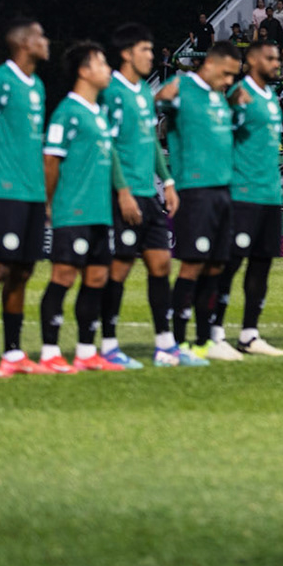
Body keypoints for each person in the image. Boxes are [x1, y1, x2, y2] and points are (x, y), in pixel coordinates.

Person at [36, 41, 144, 372]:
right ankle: (50, 352)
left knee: (97, 279)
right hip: (74, 211)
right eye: (100, 63)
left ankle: (85, 352)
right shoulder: (67, 112)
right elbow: (50, 161)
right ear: (84, 71)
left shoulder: (97, 114)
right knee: (64, 276)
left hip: (100, 212)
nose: (108, 69)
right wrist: (49, 204)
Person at [0, 18, 53, 377]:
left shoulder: (37, 86)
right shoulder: (0, 82)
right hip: (3, 191)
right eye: (40, 36)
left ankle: (14, 353)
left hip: (33, 192)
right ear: (23, 43)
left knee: (23, 271)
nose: (46, 41)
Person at [157, 41, 244, 364]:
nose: (228, 82)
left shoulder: (217, 97)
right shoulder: (181, 87)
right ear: (212, 64)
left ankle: (205, 339)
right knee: (193, 263)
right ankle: (175, 344)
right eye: (227, 74)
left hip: (223, 189)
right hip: (195, 190)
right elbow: (154, 105)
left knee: (217, 264)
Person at [98, 24, 178, 369]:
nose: (152, 56)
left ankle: (165, 345)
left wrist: (168, 181)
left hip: (149, 194)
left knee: (161, 264)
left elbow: (150, 143)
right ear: (128, 53)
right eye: (146, 50)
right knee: (119, 268)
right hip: (124, 195)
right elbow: (107, 145)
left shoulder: (145, 94)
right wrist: (123, 190)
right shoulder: (110, 92)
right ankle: (109, 345)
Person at [223, 39, 283, 356]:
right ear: (251, 60)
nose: (277, 63)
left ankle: (249, 333)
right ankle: (213, 333)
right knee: (230, 263)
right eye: (270, 58)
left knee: (261, 265)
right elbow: (222, 140)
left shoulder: (271, 96)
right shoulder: (239, 95)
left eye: (278, 58)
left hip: (269, 195)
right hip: (243, 193)